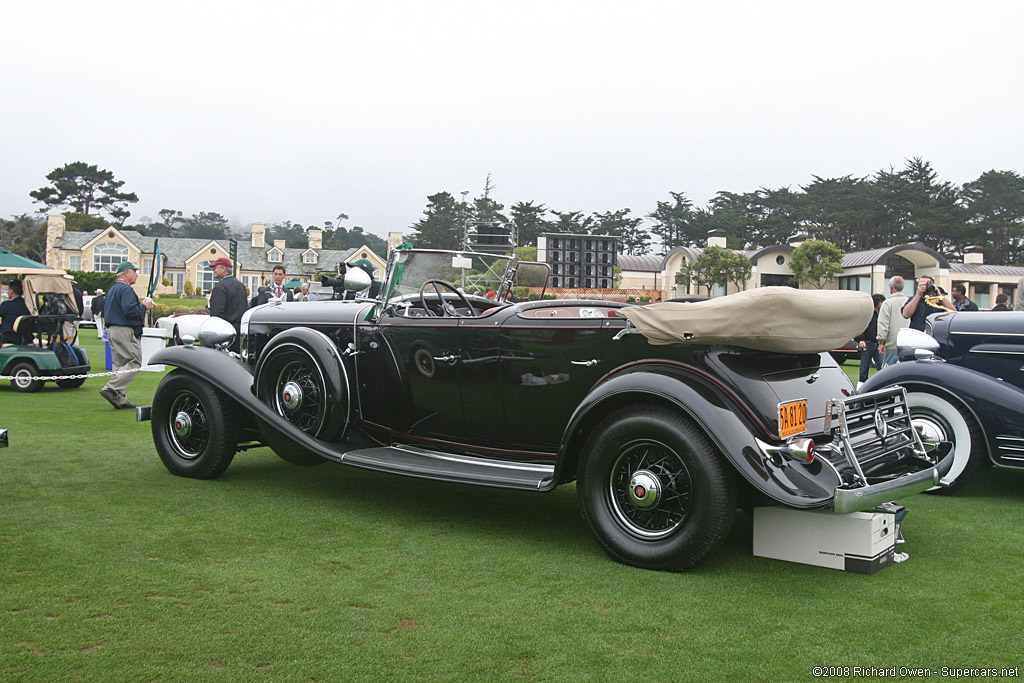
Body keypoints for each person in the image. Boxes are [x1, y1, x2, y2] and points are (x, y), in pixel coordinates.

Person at [100, 262, 153, 409]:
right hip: (124, 330)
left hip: (112, 329)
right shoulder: (126, 290)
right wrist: (144, 307)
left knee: (119, 364)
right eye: (134, 272)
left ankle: (120, 399)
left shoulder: (112, 290)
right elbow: (130, 310)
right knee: (134, 360)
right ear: (126, 273)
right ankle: (111, 388)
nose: (137, 275)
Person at [208, 256, 247, 351]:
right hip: (240, 331)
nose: (213, 270)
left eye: (215, 267)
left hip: (225, 332)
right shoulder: (241, 285)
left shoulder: (220, 287)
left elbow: (216, 314)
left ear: (223, 269)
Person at [876, 276, 910, 368]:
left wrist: (881, 341)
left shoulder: (887, 303)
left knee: (888, 371)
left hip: (892, 344)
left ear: (891, 288)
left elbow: (883, 324)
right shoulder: (910, 302)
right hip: (908, 343)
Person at [855, 294, 885, 384]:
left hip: (878, 343)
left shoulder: (881, 314)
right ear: (879, 302)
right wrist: (861, 339)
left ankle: (882, 384)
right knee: (864, 368)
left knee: (881, 366)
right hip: (868, 343)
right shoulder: (868, 314)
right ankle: (861, 387)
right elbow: (859, 327)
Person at [0, 279, 31, 346]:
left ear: (12, 291)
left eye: (8, 290)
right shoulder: (28, 305)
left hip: (8, 337)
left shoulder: (7, 305)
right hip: (25, 337)